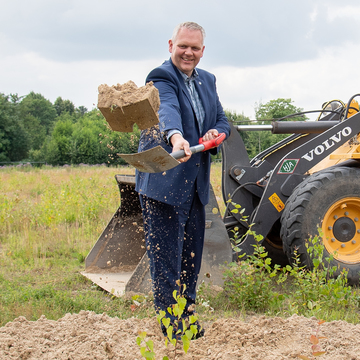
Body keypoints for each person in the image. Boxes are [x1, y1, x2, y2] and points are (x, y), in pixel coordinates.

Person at [135, 21, 231, 338]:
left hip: (194, 184)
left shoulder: (207, 80)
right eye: (183, 46)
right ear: (171, 45)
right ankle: (170, 324)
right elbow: (168, 110)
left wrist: (217, 133)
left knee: (191, 253)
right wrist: (176, 138)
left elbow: (221, 118)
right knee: (167, 256)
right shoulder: (161, 77)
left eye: (195, 47)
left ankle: (186, 315)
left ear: (203, 51)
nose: (188, 52)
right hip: (163, 181)